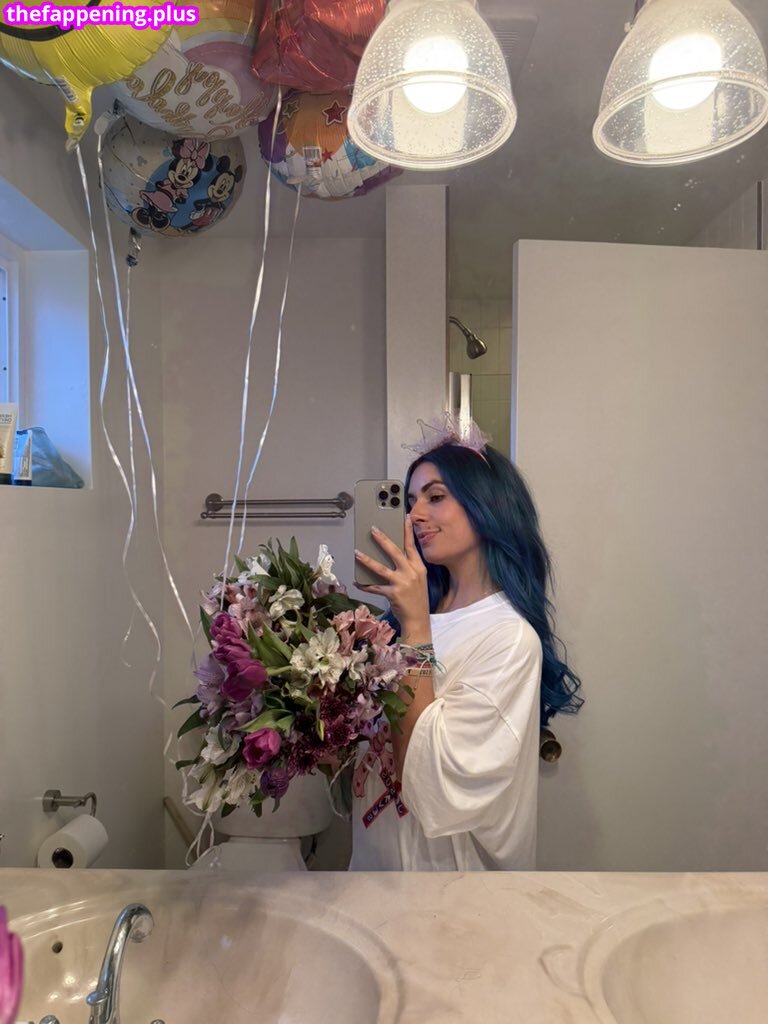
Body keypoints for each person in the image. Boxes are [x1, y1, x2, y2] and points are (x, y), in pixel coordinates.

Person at [349, 417, 583, 871]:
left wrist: (414, 625)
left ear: (487, 506)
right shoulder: (408, 617)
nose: (414, 516)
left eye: (435, 497)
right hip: (377, 866)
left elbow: (431, 782)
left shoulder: (508, 638)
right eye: (410, 501)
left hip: (454, 885)